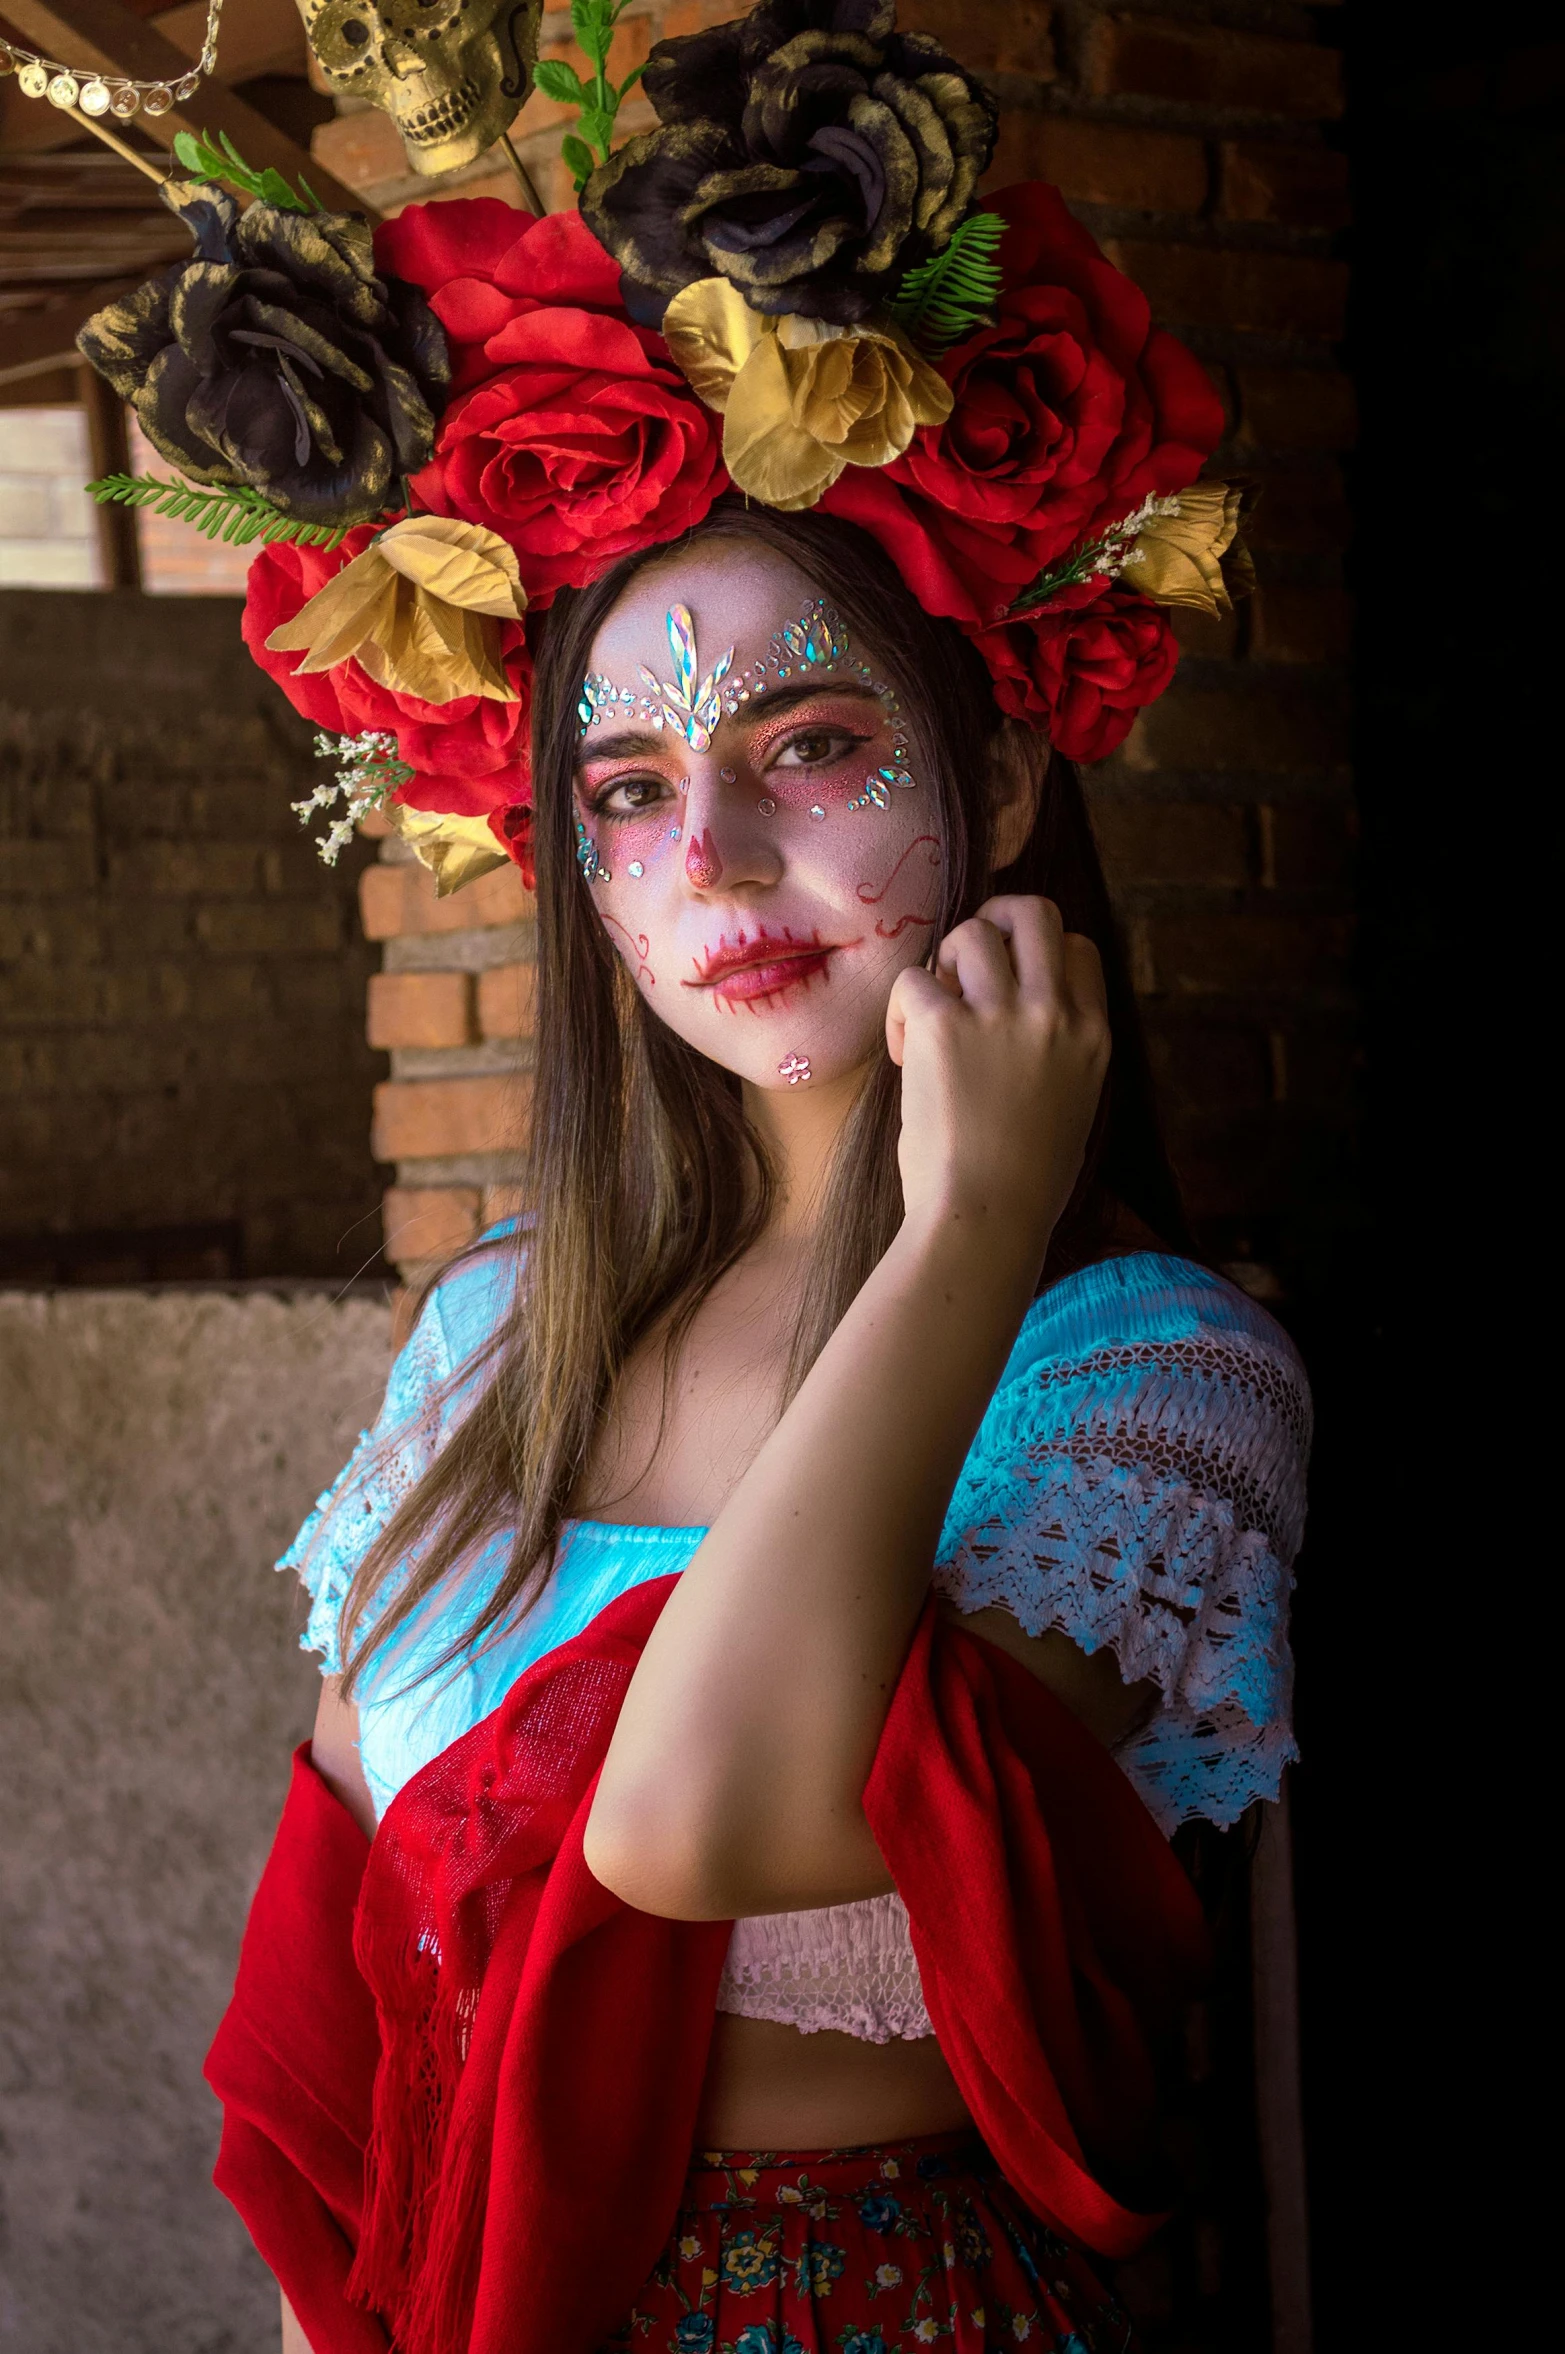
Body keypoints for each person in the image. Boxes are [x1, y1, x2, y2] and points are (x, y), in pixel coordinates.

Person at [191, 16, 1309, 2352]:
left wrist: (968, 1221)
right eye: (620, 787)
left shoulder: (1153, 1376)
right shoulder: (495, 1330)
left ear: (995, 781)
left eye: (808, 744)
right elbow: (336, 2008)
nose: (712, 857)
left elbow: (694, 1828)